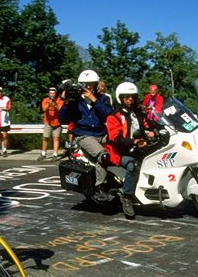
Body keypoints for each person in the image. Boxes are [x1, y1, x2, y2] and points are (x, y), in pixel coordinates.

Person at [106, 82, 160, 217]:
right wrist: (134, 141)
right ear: (121, 98)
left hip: (138, 147)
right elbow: (116, 139)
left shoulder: (137, 113)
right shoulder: (114, 116)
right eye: (127, 97)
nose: (130, 99)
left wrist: (160, 129)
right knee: (133, 166)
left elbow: (148, 124)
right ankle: (127, 197)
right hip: (119, 152)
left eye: (133, 97)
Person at [58, 69, 113, 199]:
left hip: (101, 133)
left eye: (92, 84)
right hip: (84, 134)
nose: (88, 87)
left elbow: (108, 114)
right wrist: (66, 102)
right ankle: (100, 187)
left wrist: (94, 99)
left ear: (96, 84)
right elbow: (62, 119)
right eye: (85, 84)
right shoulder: (75, 100)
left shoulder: (103, 98)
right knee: (103, 156)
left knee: (120, 150)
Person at [38, 87, 64, 161]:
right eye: (51, 93)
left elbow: (60, 109)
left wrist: (55, 105)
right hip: (48, 122)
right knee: (45, 137)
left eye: (53, 93)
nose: (52, 94)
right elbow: (43, 109)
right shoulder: (45, 100)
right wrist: (49, 104)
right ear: (49, 94)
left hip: (57, 122)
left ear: (55, 94)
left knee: (56, 138)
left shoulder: (59, 100)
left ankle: (55, 154)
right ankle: (43, 153)